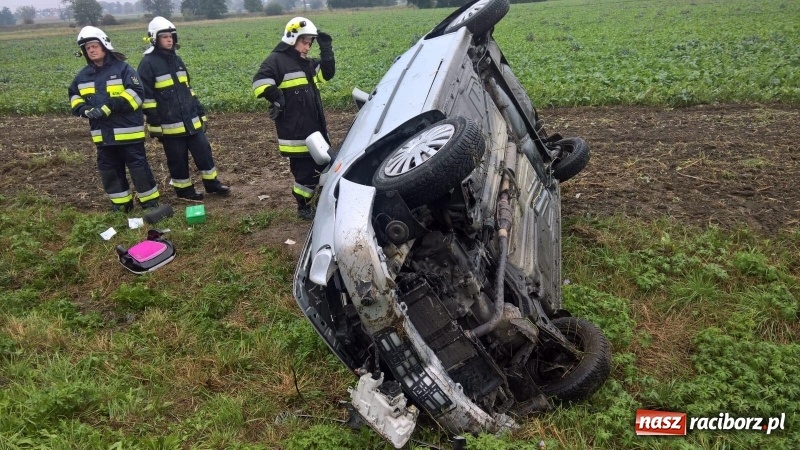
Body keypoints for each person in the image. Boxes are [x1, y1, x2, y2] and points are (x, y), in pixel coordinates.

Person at [68, 26, 161, 212]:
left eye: (94, 46)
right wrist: (84, 109)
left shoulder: (123, 69)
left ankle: (150, 204)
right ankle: (121, 206)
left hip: (128, 134)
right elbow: (73, 95)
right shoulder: (82, 76)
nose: (92, 50)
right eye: (87, 48)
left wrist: (109, 106)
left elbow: (136, 94)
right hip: (102, 136)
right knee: (109, 170)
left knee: (138, 168)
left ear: (104, 45)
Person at [137, 16, 229, 202]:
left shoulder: (177, 60)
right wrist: (155, 126)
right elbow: (147, 99)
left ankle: (212, 184)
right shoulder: (147, 64)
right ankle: (184, 191)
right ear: (154, 38)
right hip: (169, 126)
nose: (169, 39)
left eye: (171, 36)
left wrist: (200, 114)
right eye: (165, 36)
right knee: (177, 160)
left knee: (204, 152)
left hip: (191, 121)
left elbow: (189, 91)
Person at [252, 17, 335, 220]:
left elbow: (327, 74)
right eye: (304, 42)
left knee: (321, 166)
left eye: (309, 43)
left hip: (314, 129)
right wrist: (275, 96)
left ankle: (312, 201)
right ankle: (303, 207)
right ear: (292, 38)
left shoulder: (305, 63)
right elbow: (259, 83)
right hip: (296, 133)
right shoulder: (276, 60)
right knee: (305, 173)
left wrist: (327, 50)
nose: (307, 47)